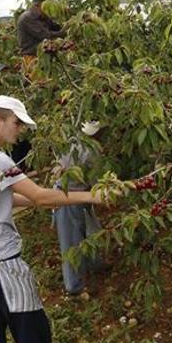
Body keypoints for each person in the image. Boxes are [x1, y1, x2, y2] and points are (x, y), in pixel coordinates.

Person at [0, 95, 102, 343]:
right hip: (3, 260)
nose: (20, 129)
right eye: (17, 123)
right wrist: (92, 196)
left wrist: (47, 198)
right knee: (33, 329)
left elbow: (7, 199)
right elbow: (38, 196)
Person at [12, 0, 65, 170]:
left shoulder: (43, 17)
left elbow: (55, 27)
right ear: (39, 4)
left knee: (51, 95)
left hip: (44, 61)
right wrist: (67, 32)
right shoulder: (27, 18)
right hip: (32, 62)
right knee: (41, 95)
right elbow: (47, 36)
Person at [53, 121, 104, 295]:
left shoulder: (70, 141)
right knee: (71, 243)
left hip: (69, 194)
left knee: (88, 231)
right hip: (71, 197)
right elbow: (94, 181)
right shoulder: (92, 151)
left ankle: (94, 264)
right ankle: (73, 286)